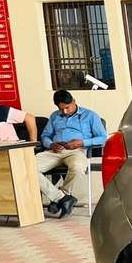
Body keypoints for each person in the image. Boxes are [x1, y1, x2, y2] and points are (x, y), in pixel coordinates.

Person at [37, 89, 107, 219]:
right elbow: (45, 136)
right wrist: (51, 144)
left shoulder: (90, 115)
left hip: (76, 151)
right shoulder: (54, 116)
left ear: (74, 102)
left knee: (78, 167)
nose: (64, 112)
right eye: (61, 109)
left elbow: (103, 137)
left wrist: (82, 142)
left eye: (67, 108)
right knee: (28, 168)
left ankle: (60, 197)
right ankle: (62, 198)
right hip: (54, 151)